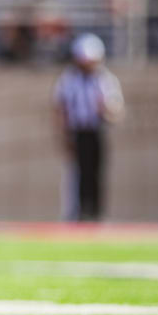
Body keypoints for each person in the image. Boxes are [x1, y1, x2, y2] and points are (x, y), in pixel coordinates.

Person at [53, 33, 124, 221]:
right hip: (78, 131)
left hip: (96, 130)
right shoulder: (68, 80)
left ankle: (96, 213)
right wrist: (64, 136)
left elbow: (115, 110)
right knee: (76, 174)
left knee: (96, 172)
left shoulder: (105, 80)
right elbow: (61, 110)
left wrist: (108, 110)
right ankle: (77, 213)